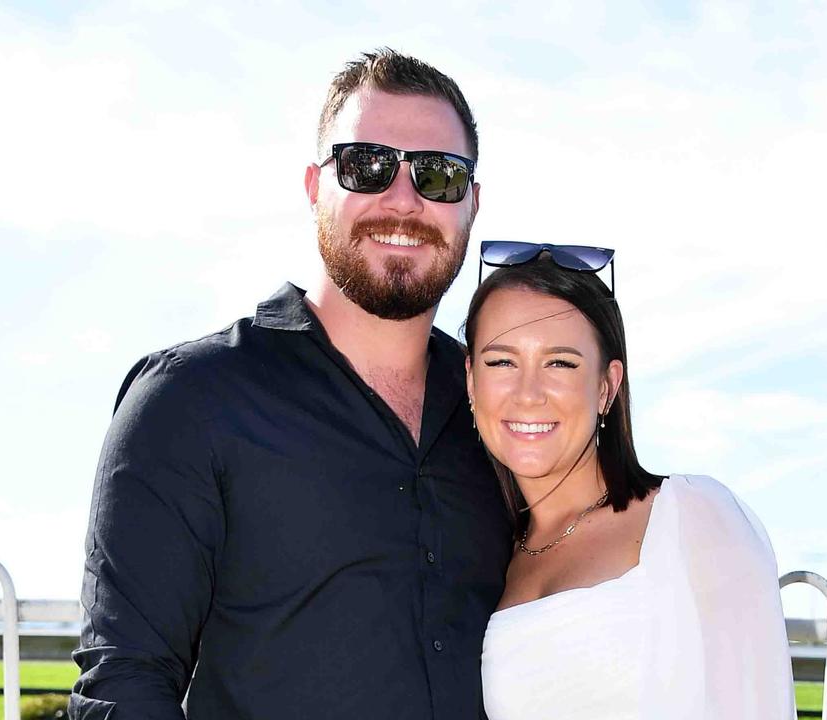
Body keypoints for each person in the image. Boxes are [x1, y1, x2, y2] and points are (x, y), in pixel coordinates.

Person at [69, 49, 511, 720]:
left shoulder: (507, 414)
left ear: (471, 204)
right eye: (367, 166)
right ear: (314, 187)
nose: (402, 199)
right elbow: (125, 688)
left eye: (438, 175)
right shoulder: (191, 400)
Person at [464, 242, 795, 719]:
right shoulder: (486, 553)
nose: (528, 393)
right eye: (502, 362)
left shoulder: (689, 517)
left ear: (607, 386)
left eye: (560, 363)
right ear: (471, 380)